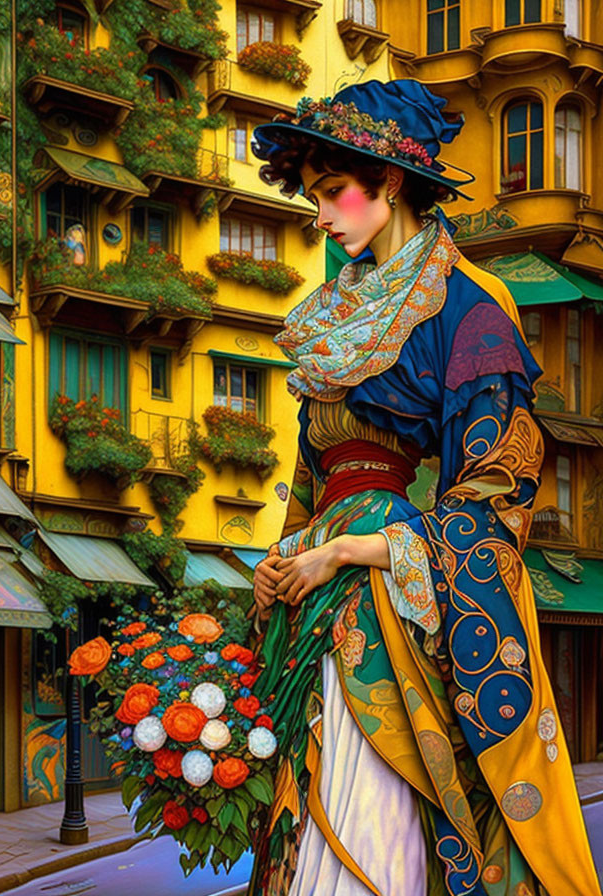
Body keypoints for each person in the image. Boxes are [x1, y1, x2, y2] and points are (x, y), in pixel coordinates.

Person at [247, 80, 600, 896]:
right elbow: (308, 482)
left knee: (381, 798)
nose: (323, 217)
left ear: (392, 183)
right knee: (304, 793)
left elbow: (498, 487)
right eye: (313, 199)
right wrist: (282, 559)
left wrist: (351, 550)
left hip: (391, 590)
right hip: (316, 588)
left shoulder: (472, 310)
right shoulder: (327, 322)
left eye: (333, 193)